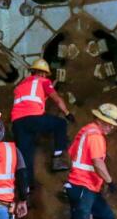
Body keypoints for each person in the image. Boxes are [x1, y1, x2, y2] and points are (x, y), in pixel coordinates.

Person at [10, 58, 74, 187]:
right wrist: (67, 113)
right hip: (34, 118)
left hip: (17, 123)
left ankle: (26, 189)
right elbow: (57, 100)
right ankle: (57, 159)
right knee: (60, 124)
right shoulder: (44, 82)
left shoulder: (21, 85)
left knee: (25, 156)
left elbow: (31, 98)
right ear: (44, 74)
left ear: (33, 71)